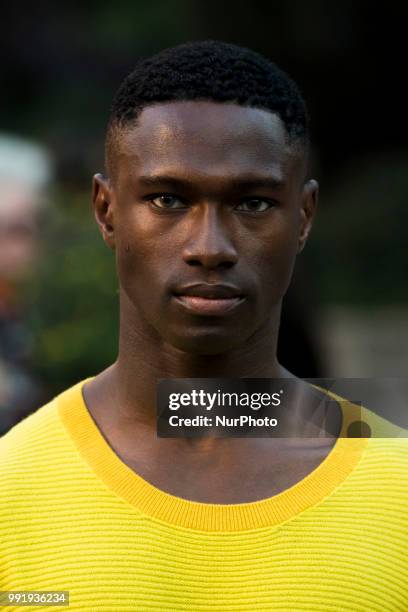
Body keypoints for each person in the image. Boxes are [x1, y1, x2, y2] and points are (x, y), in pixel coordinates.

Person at [1, 40, 407, 611]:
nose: (209, 248)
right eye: (167, 199)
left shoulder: (398, 489)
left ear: (304, 217)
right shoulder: (11, 492)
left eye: (254, 203)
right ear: (106, 210)